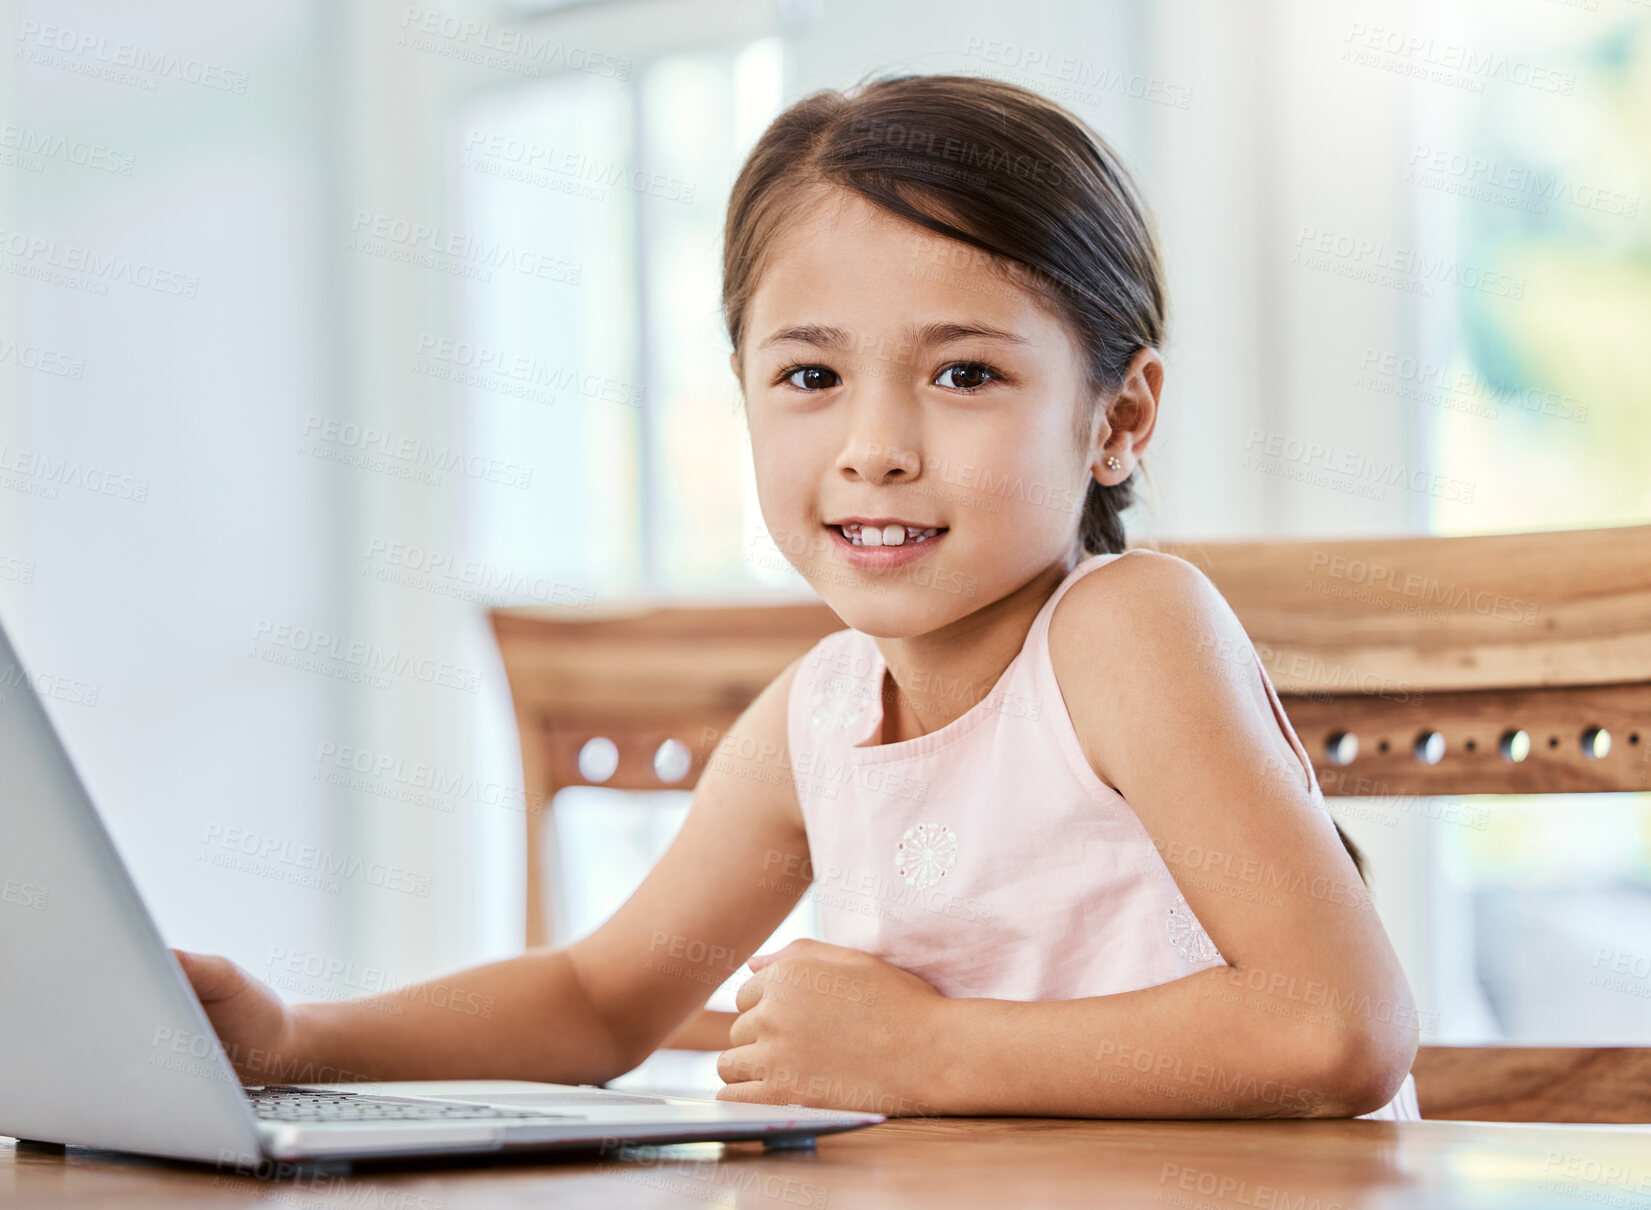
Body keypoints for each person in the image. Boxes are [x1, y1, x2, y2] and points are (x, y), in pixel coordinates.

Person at [175, 71, 1420, 1121]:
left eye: (965, 371)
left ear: (1118, 416)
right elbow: (601, 1001)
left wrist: (926, 1052)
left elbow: (1337, 1028)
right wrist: (290, 1041)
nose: (872, 445)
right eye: (811, 373)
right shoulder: (818, 715)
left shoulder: (1126, 629)